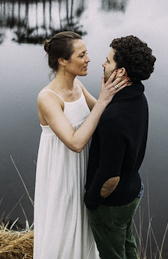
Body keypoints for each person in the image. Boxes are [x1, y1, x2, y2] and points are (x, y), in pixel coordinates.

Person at [34, 31, 129, 259]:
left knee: (85, 225)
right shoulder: (47, 98)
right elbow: (75, 143)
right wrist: (104, 98)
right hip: (62, 173)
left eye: (87, 53)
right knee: (64, 226)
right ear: (63, 61)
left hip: (84, 169)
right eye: (82, 55)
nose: (88, 59)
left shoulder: (77, 86)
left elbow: (103, 118)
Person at [84, 35, 156, 259]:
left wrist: (92, 201)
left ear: (121, 72)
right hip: (132, 190)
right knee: (126, 245)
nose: (103, 64)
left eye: (108, 61)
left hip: (112, 203)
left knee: (112, 254)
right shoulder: (137, 97)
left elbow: (110, 177)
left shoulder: (113, 118)